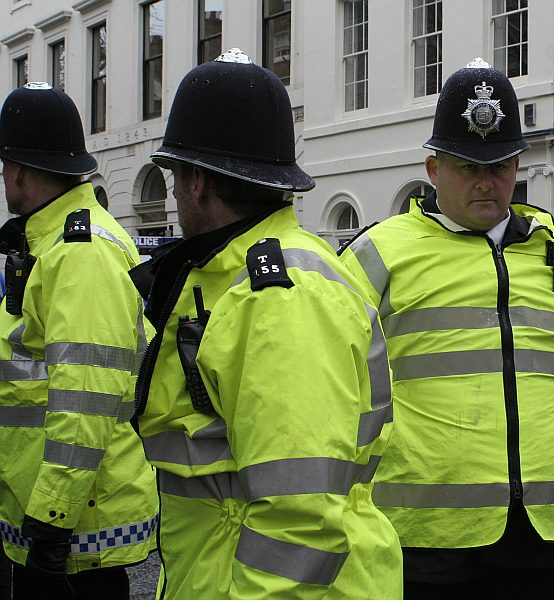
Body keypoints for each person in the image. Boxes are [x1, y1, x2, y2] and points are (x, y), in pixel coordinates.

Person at [339, 58, 554, 599]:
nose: (485, 181)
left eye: (497, 165)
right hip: (424, 541)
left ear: (518, 164)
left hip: (539, 540)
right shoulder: (377, 254)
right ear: (433, 169)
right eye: (465, 165)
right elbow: (333, 388)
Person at [130, 51, 401, 598]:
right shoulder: (233, 275)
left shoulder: (278, 296)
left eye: (174, 175)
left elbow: (298, 519)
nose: (173, 193)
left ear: (198, 180)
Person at [0, 83, 158, 599]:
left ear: (19, 170)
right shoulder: (55, 245)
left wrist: (51, 521)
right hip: (61, 524)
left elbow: (84, 401)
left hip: (72, 536)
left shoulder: (79, 253)